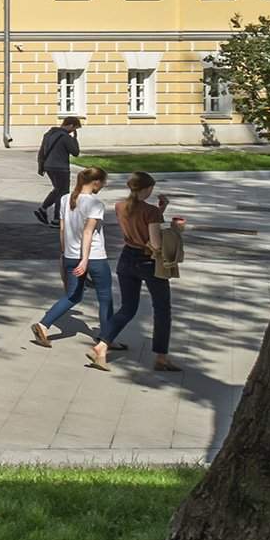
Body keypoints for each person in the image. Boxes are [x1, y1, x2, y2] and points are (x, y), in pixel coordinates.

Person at [91, 173, 185, 372]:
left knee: (127, 308)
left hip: (126, 259)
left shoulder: (119, 206)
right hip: (148, 263)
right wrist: (174, 231)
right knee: (162, 310)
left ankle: (102, 345)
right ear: (147, 189)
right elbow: (155, 244)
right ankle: (161, 357)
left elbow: (137, 222)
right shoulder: (150, 211)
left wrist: (160, 211)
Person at [30, 165, 114, 349]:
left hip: (69, 254)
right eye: (103, 183)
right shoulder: (95, 204)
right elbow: (88, 233)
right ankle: (106, 339)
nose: (103, 186)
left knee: (72, 295)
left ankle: (43, 325)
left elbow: (62, 229)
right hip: (94, 257)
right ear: (95, 182)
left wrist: (64, 254)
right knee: (105, 297)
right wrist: (85, 259)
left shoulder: (66, 199)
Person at [34, 116, 82, 225]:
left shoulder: (49, 134)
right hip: (61, 168)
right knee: (63, 193)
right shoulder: (65, 137)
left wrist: (40, 166)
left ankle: (43, 209)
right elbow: (75, 152)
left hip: (49, 166)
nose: (73, 131)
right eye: (74, 128)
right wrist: (74, 138)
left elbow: (42, 151)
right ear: (70, 125)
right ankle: (57, 218)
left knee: (57, 189)